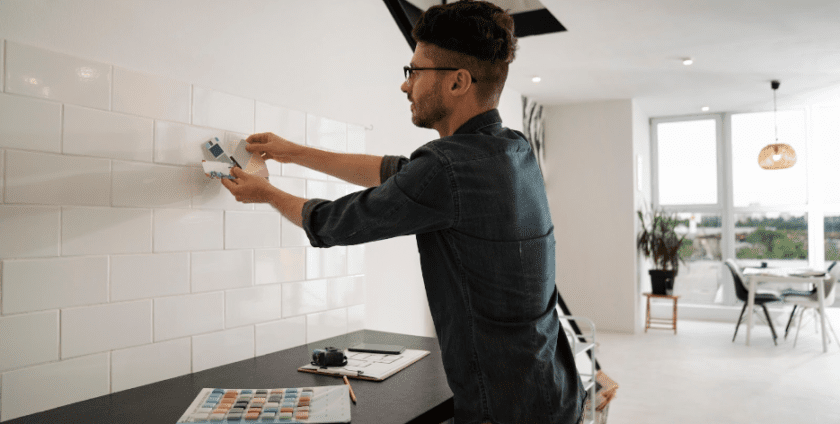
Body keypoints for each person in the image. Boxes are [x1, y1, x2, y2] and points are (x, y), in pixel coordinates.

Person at [221, 1, 586, 422]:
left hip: (504, 409)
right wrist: (296, 153)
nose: (405, 85)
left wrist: (265, 193)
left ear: (457, 83)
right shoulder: (513, 148)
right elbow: (397, 172)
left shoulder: (447, 168)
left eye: (414, 71)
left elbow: (334, 222)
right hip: (554, 392)